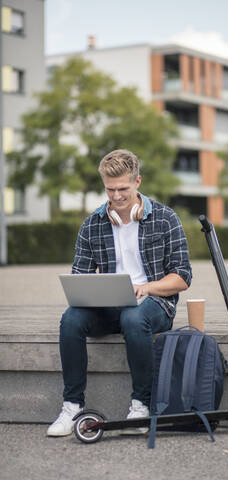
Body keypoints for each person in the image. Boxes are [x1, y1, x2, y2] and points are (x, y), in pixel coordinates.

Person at [47, 149, 192, 436]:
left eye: (123, 188)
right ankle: (72, 406)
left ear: (137, 181)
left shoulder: (165, 218)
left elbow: (182, 277)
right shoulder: (93, 223)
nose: (116, 196)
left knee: (133, 318)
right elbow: (81, 276)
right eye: (110, 189)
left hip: (154, 303)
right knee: (71, 320)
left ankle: (141, 404)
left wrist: (146, 287)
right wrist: (91, 291)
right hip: (109, 306)